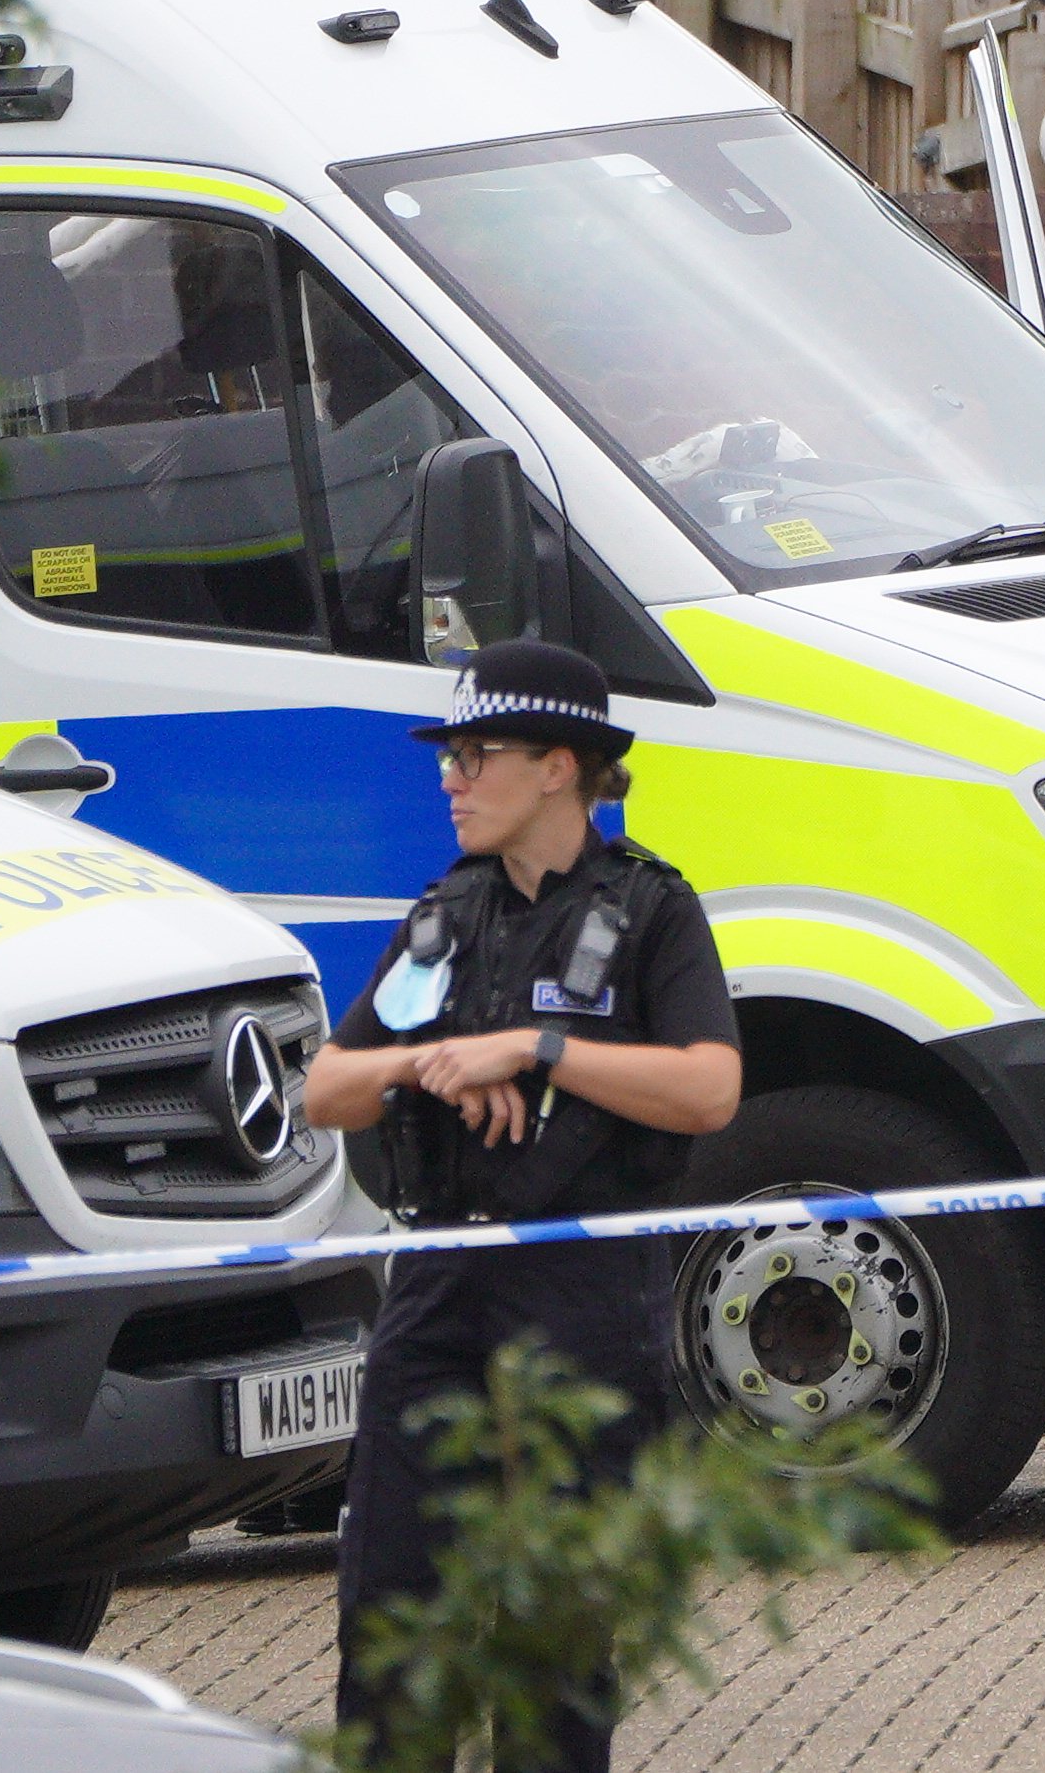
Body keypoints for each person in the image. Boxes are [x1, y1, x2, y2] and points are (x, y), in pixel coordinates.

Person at [308, 642, 744, 1773]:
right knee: (392, 1608)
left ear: (560, 766)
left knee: (555, 1631)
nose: (449, 776)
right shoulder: (443, 917)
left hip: (583, 1289)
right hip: (441, 1285)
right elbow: (326, 1087)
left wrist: (543, 1049)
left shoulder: (651, 911)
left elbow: (710, 1087)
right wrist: (435, 1059)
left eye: (473, 753)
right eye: (449, 755)